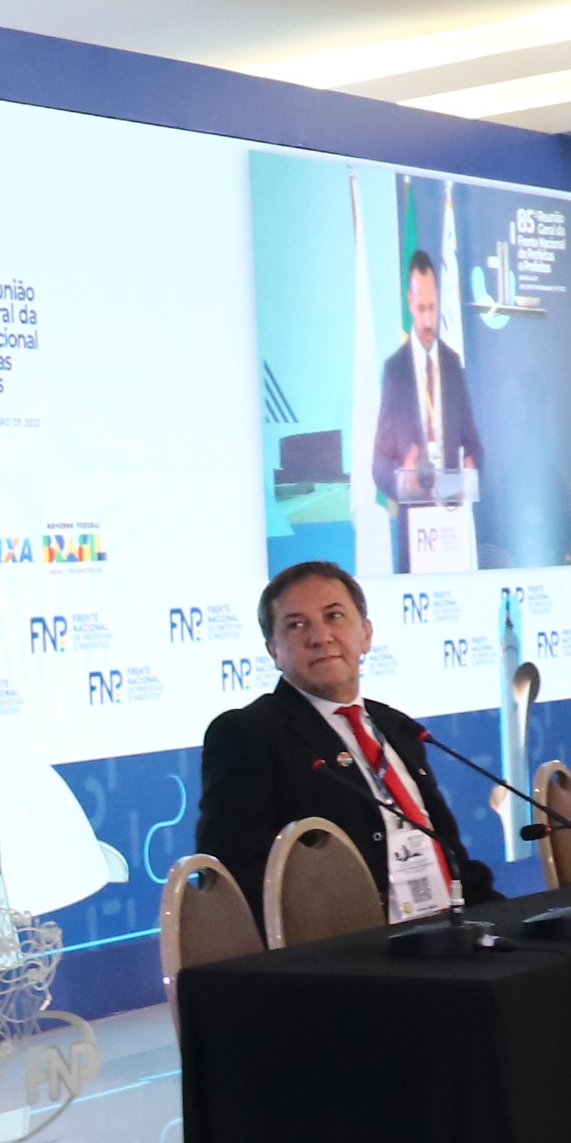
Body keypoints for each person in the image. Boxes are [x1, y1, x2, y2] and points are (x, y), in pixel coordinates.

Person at [197, 559, 498, 919]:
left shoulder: (396, 726)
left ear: (366, 634)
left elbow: (451, 856)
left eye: (334, 616)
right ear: (274, 650)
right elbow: (233, 877)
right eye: (296, 625)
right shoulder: (249, 733)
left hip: (451, 927)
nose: (320, 636)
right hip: (354, 943)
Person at [365, 249, 481, 562]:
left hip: (453, 527)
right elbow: (379, 463)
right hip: (415, 533)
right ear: (409, 302)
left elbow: (474, 445)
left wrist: (472, 468)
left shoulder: (453, 366)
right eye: (421, 309)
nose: (428, 320)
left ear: (439, 300)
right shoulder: (395, 370)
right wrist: (404, 480)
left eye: (432, 308)